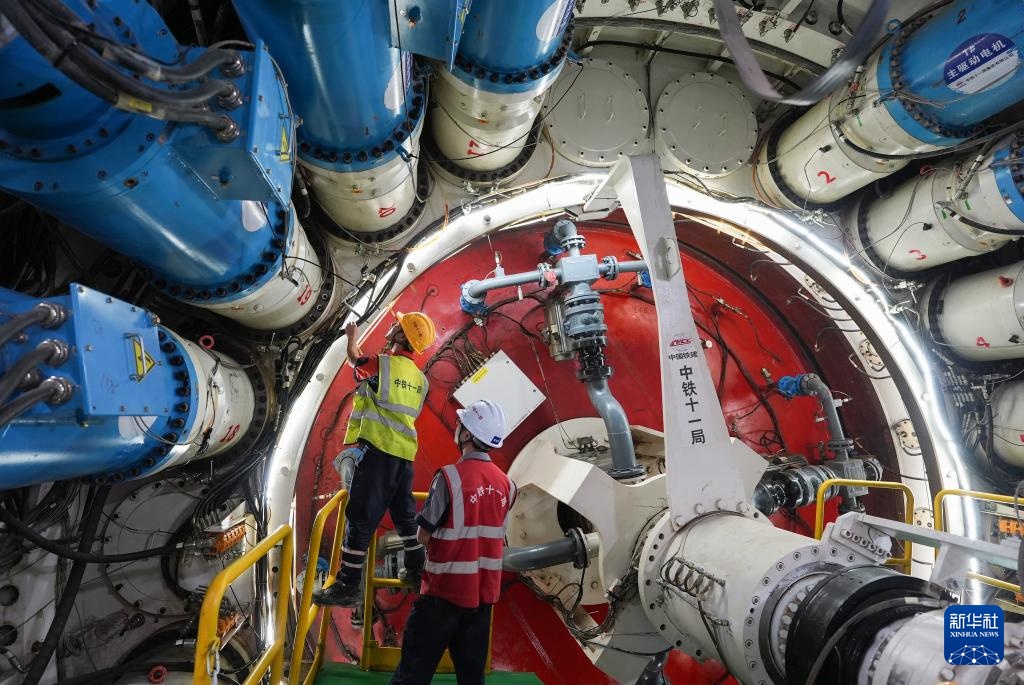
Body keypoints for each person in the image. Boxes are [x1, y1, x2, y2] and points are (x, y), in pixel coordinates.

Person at [313, 311, 436, 607]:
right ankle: (417, 571)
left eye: (398, 325)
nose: (392, 325)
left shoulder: (384, 365)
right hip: (404, 456)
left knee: (360, 518)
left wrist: (351, 337)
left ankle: (347, 586)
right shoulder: (421, 380)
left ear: (402, 337)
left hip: (378, 453)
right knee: (406, 518)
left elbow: (355, 360)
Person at [390, 399, 516, 685]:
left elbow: (423, 535)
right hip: (481, 599)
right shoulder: (507, 485)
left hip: (442, 595)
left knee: (412, 675)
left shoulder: (449, 478)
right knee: (471, 678)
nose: (457, 426)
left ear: (468, 434)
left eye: (461, 423)